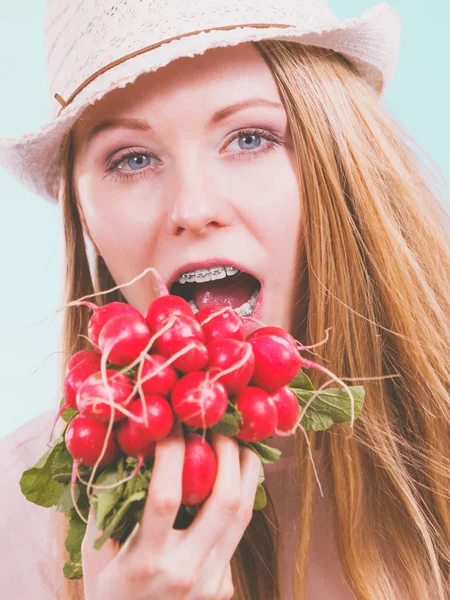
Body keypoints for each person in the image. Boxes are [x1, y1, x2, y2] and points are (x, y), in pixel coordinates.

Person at [0, 1, 449, 599]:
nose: (193, 209)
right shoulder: (17, 523)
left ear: (341, 164)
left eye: (249, 138)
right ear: (83, 215)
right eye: (133, 159)